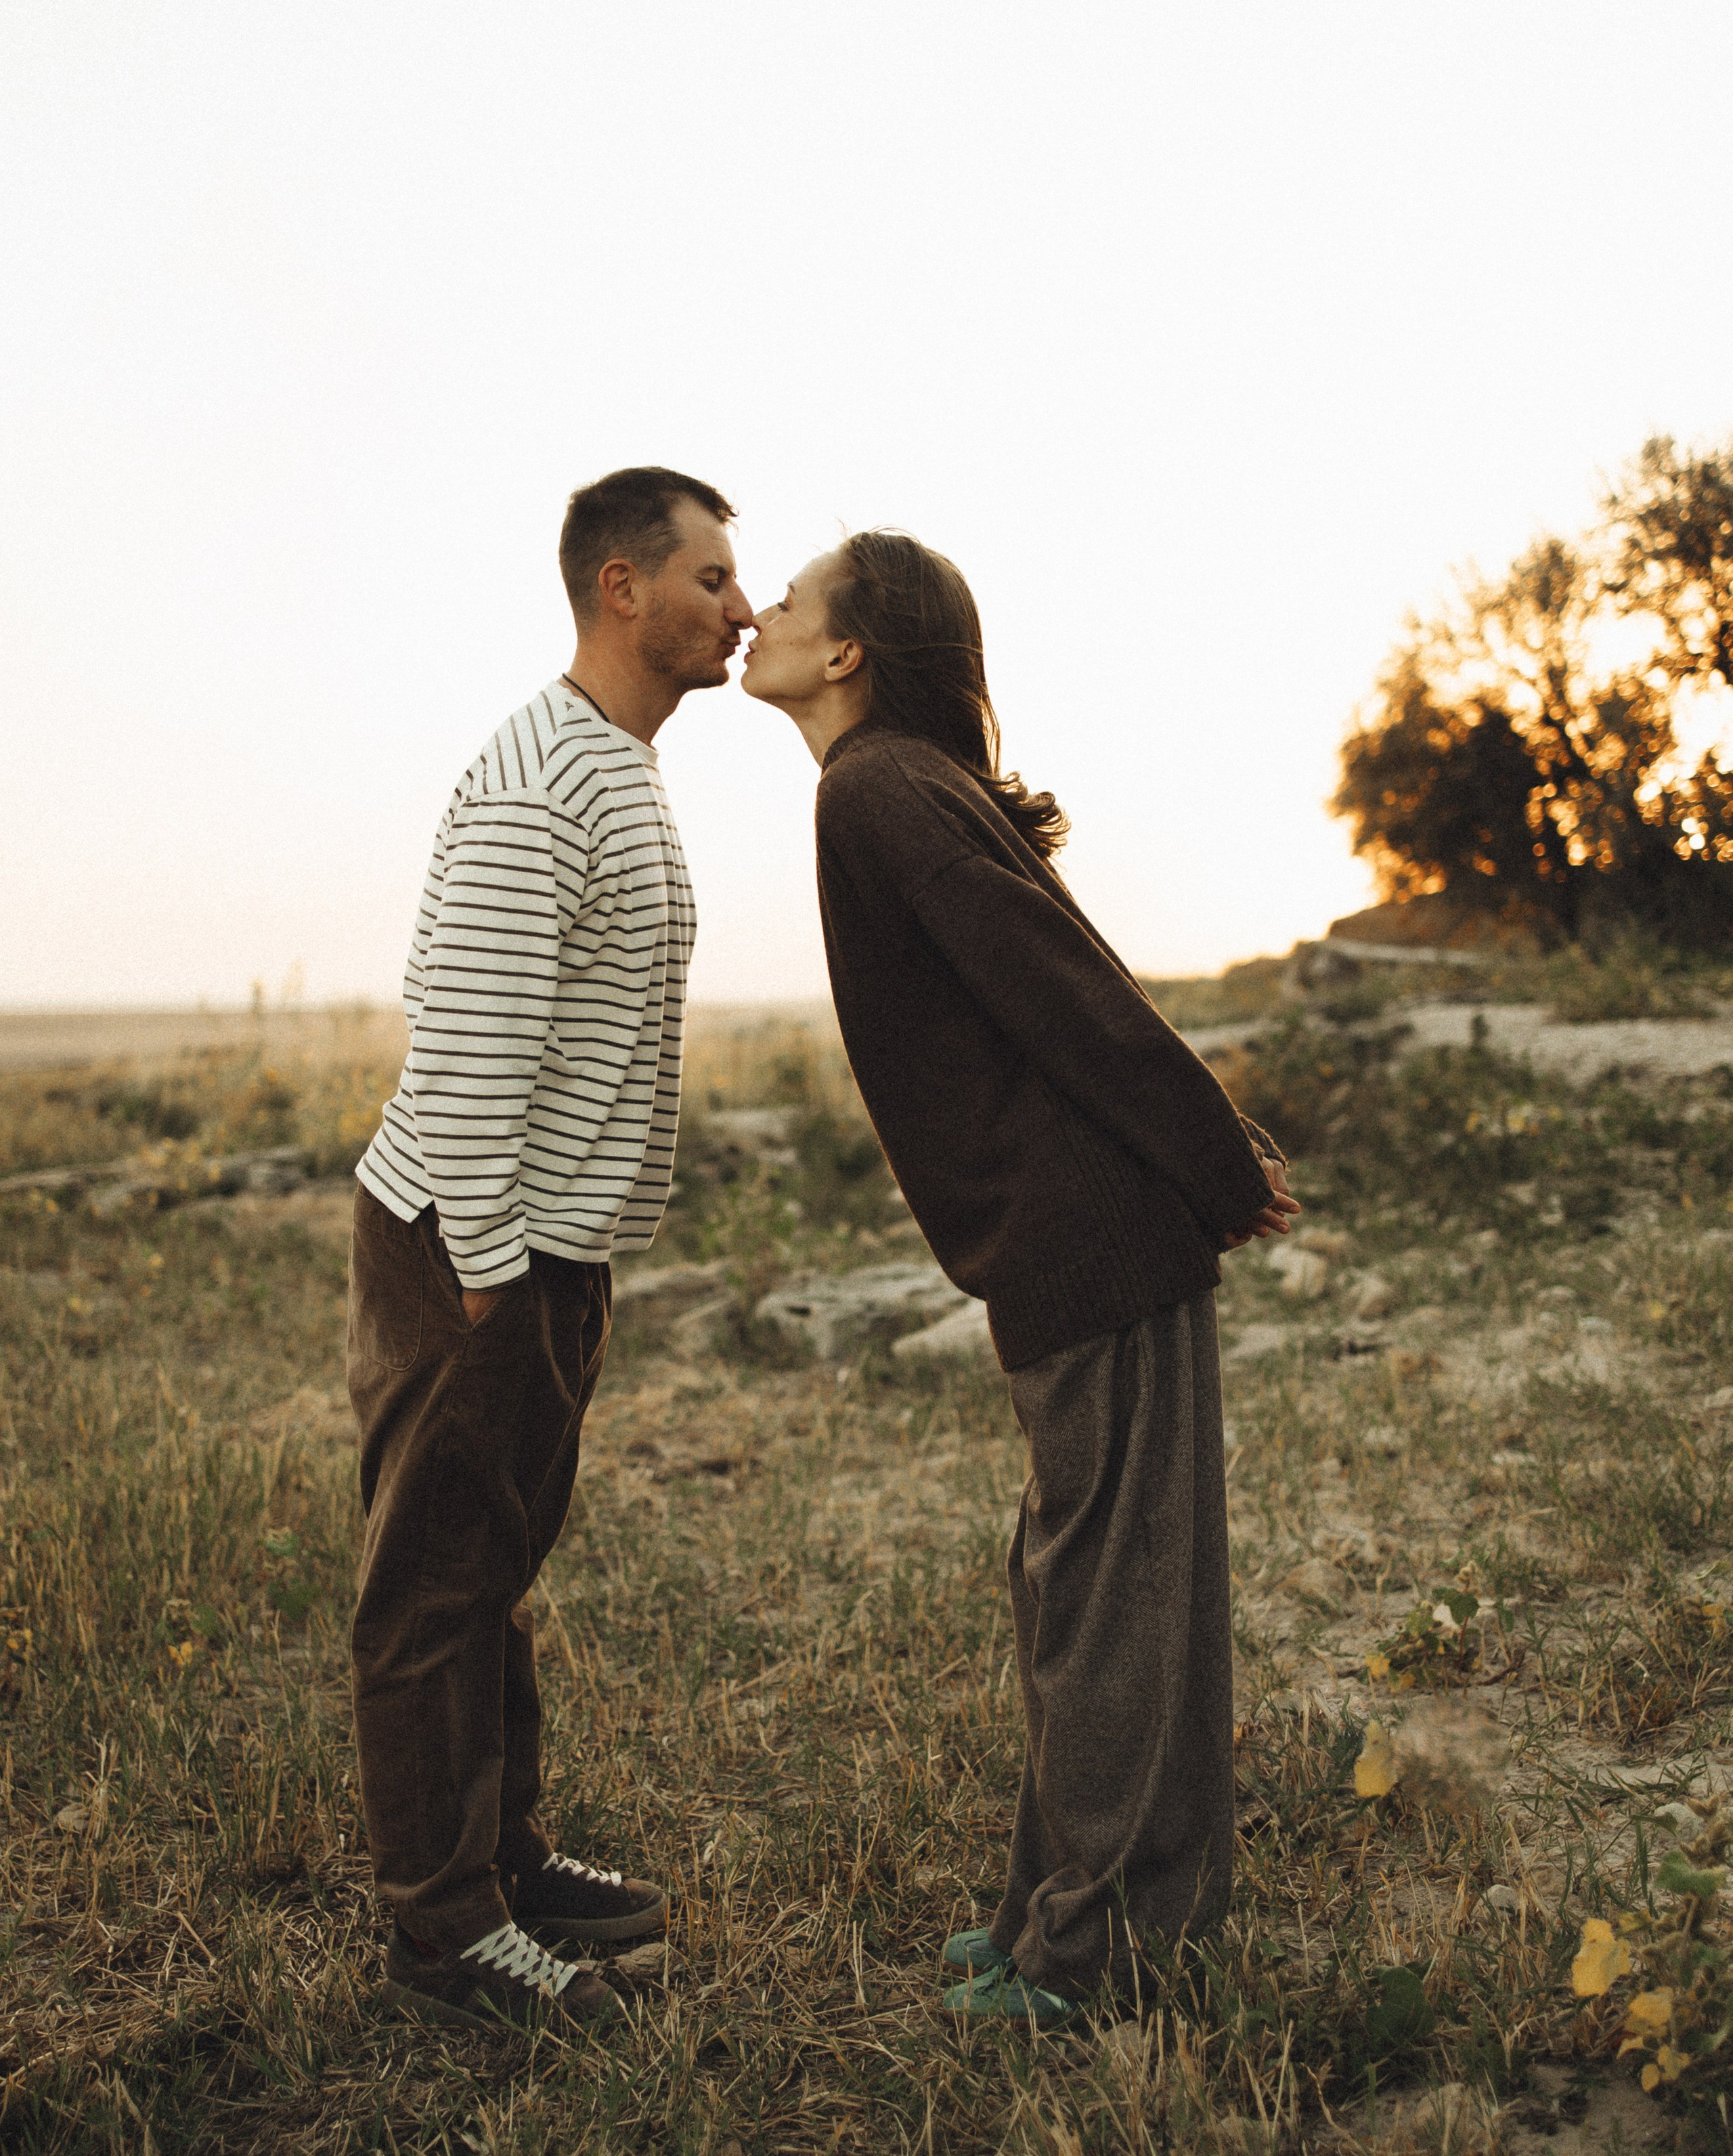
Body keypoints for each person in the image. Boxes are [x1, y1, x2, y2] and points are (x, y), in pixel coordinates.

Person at [741, 530, 1297, 2027]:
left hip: (1093, 1231)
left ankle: (1096, 1953)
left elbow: (1063, 987)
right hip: (1065, 1236)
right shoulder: (883, 789)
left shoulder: (875, 790)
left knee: (1109, 1593)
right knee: (1081, 1580)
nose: (757, 613)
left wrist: (1214, 1160)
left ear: (847, 651)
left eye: (786, 599)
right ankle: (1063, 1912)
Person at [347, 465, 755, 2035]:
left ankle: (503, 1867)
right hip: (472, 1246)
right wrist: (494, 1268)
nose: (739, 605)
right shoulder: (543, 783)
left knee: (492, 1564)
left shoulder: (615, 760)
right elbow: (463, 1043)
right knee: (431, 1585)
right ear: (620, 587)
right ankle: (444, 1942)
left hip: (538, 1246)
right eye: (712, 577)